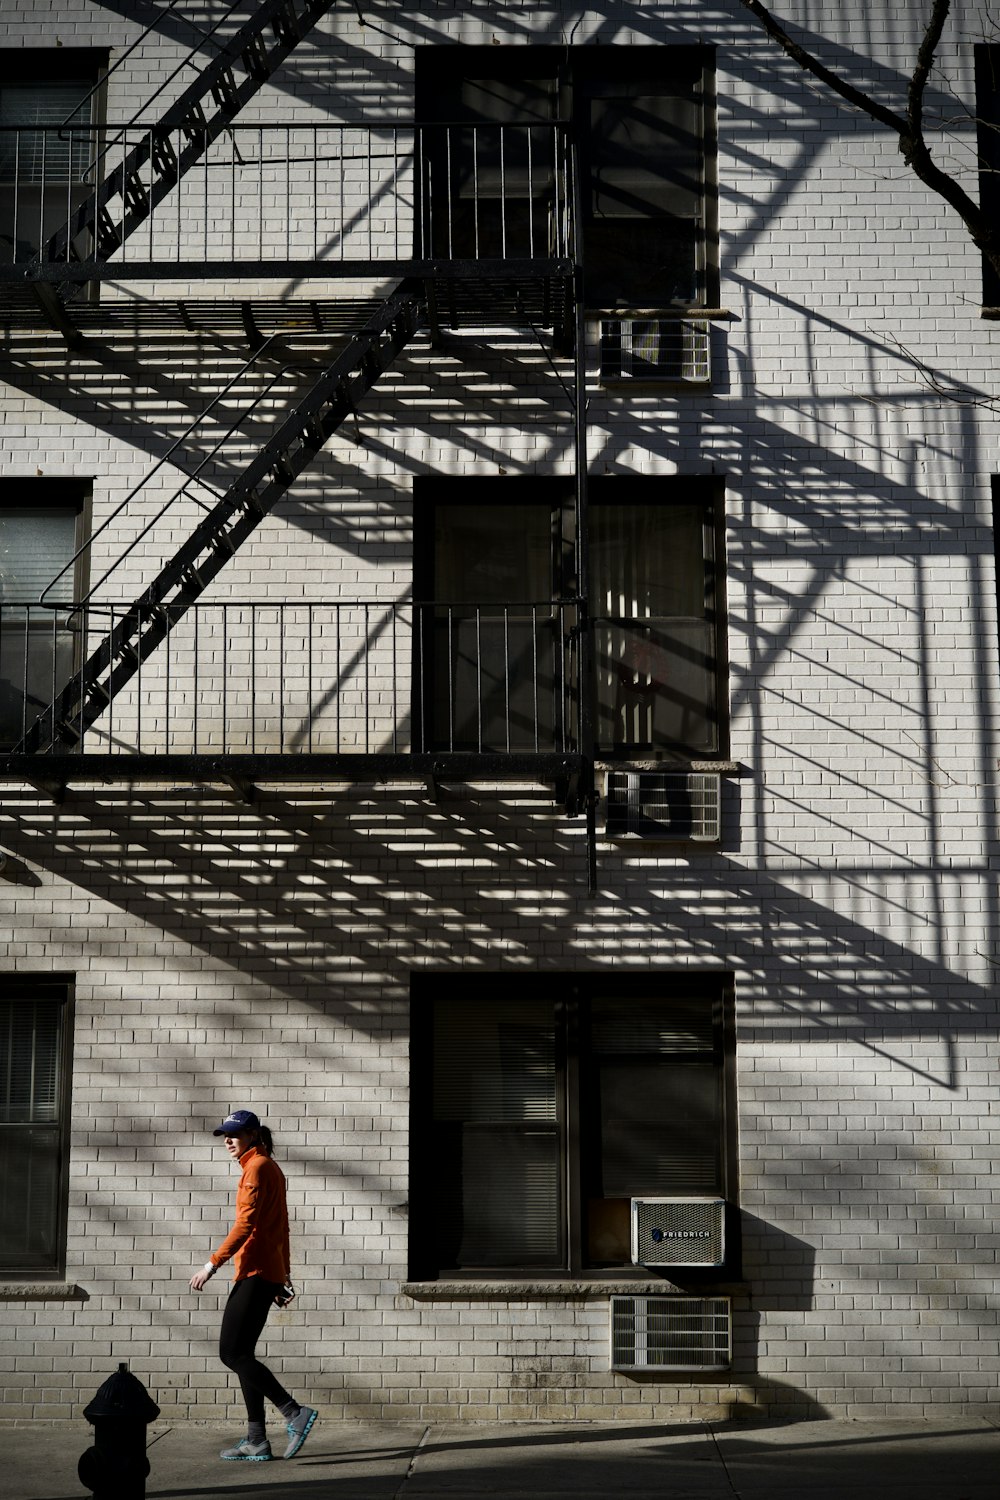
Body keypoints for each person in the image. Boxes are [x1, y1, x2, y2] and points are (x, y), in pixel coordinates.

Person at [189, 1109, 317, 1462]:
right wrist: (284, 1275)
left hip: (256, 1272)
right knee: (243, 1354)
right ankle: (256, 1439)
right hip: (266, 1272)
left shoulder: (258, 1168)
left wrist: (210, 1265)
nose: (227, 1141)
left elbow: (246, 1225)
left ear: (253, 1135)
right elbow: (282, 1227)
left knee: (231, 1353)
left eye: (233, 1134)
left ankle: (294, 1412)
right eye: (224, 1135)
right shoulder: (266, 1167)